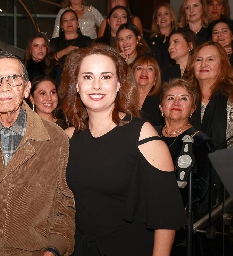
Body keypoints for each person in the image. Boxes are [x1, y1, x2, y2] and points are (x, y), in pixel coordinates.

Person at [61, 44, 185, 255]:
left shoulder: (142, 135)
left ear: (119, 84)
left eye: (106, 77)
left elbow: (166, 218)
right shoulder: (69, 137)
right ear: (77, 85)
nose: (97, 85)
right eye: (88, 77)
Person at [0, 51, 75, 255]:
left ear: (26, 88)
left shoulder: (55, 139)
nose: (4, 86)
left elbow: (63, 207)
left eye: (13, 78)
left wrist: (53, 251)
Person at [156, 78, 213, 256]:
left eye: (184, 98)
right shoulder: (148, 133)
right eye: (170, 97)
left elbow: (199, 188)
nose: (176, 103)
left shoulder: (201, 141)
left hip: (181, 226)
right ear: (161, 106)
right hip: (142, 218)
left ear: (193, 108)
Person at [188, 41, 233, 149]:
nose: (203, 64)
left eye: (210, 59)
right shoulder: (185, 97)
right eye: (198, 60)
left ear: (222, 65)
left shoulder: (231, 96)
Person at [51, 9, 92, 85]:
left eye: (72, 19)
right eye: (65, 20)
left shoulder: (86, 41)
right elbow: (49, 63)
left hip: (81, 80)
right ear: (62, 26)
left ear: (77, 23)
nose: (69, 22)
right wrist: (64, 52)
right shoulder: (55, 42)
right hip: (59, 82)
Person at [132, 55, 163, 126]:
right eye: (139, 68)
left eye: (150, 69)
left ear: (155, 78)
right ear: (133, 75)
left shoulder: (162, 99)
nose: (144, 72)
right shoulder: (124, 98)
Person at [147, 3, 179, 68]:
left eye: (166, 13)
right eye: (159, 15)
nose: (162, 17)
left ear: (172, 17)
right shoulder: (149, 39)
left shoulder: (178, 37)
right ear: (156, 21)